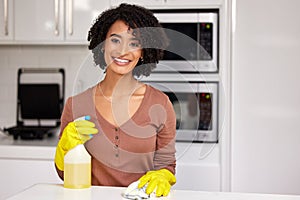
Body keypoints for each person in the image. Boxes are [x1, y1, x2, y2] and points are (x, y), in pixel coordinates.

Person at [54, 3, 177, 197]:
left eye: (134, 43)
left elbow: (166, 165)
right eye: (115, 40)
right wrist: (63, 150)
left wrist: (162, 175)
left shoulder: (160, 104)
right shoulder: (75, 105)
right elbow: (64, 174)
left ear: (143, 51)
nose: (123, 51)